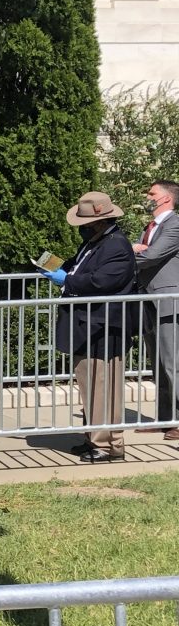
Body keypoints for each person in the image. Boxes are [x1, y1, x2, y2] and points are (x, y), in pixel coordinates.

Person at [42, 191, 136, 463]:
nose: (81, 228)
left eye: (85, 223)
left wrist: (66, 281)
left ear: (99, 222)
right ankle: (92, 437)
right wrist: (58, 268)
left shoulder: (116, 245)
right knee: (89, 386)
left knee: (103, 388)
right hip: (88, 324)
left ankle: (108, 447)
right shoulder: (95, 243)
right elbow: (79, 268)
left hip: (105, 327)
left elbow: (101, 282)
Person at [133, 180, 179, 438]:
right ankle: (166, 419)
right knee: (159, 365)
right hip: (149, 300)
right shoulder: (150, 226)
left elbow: (151, 256)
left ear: (166, 199)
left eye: (152, 193)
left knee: (173, 363)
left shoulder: (175, 225)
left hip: (169, 301)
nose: (148, 197)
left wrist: (126, 252)